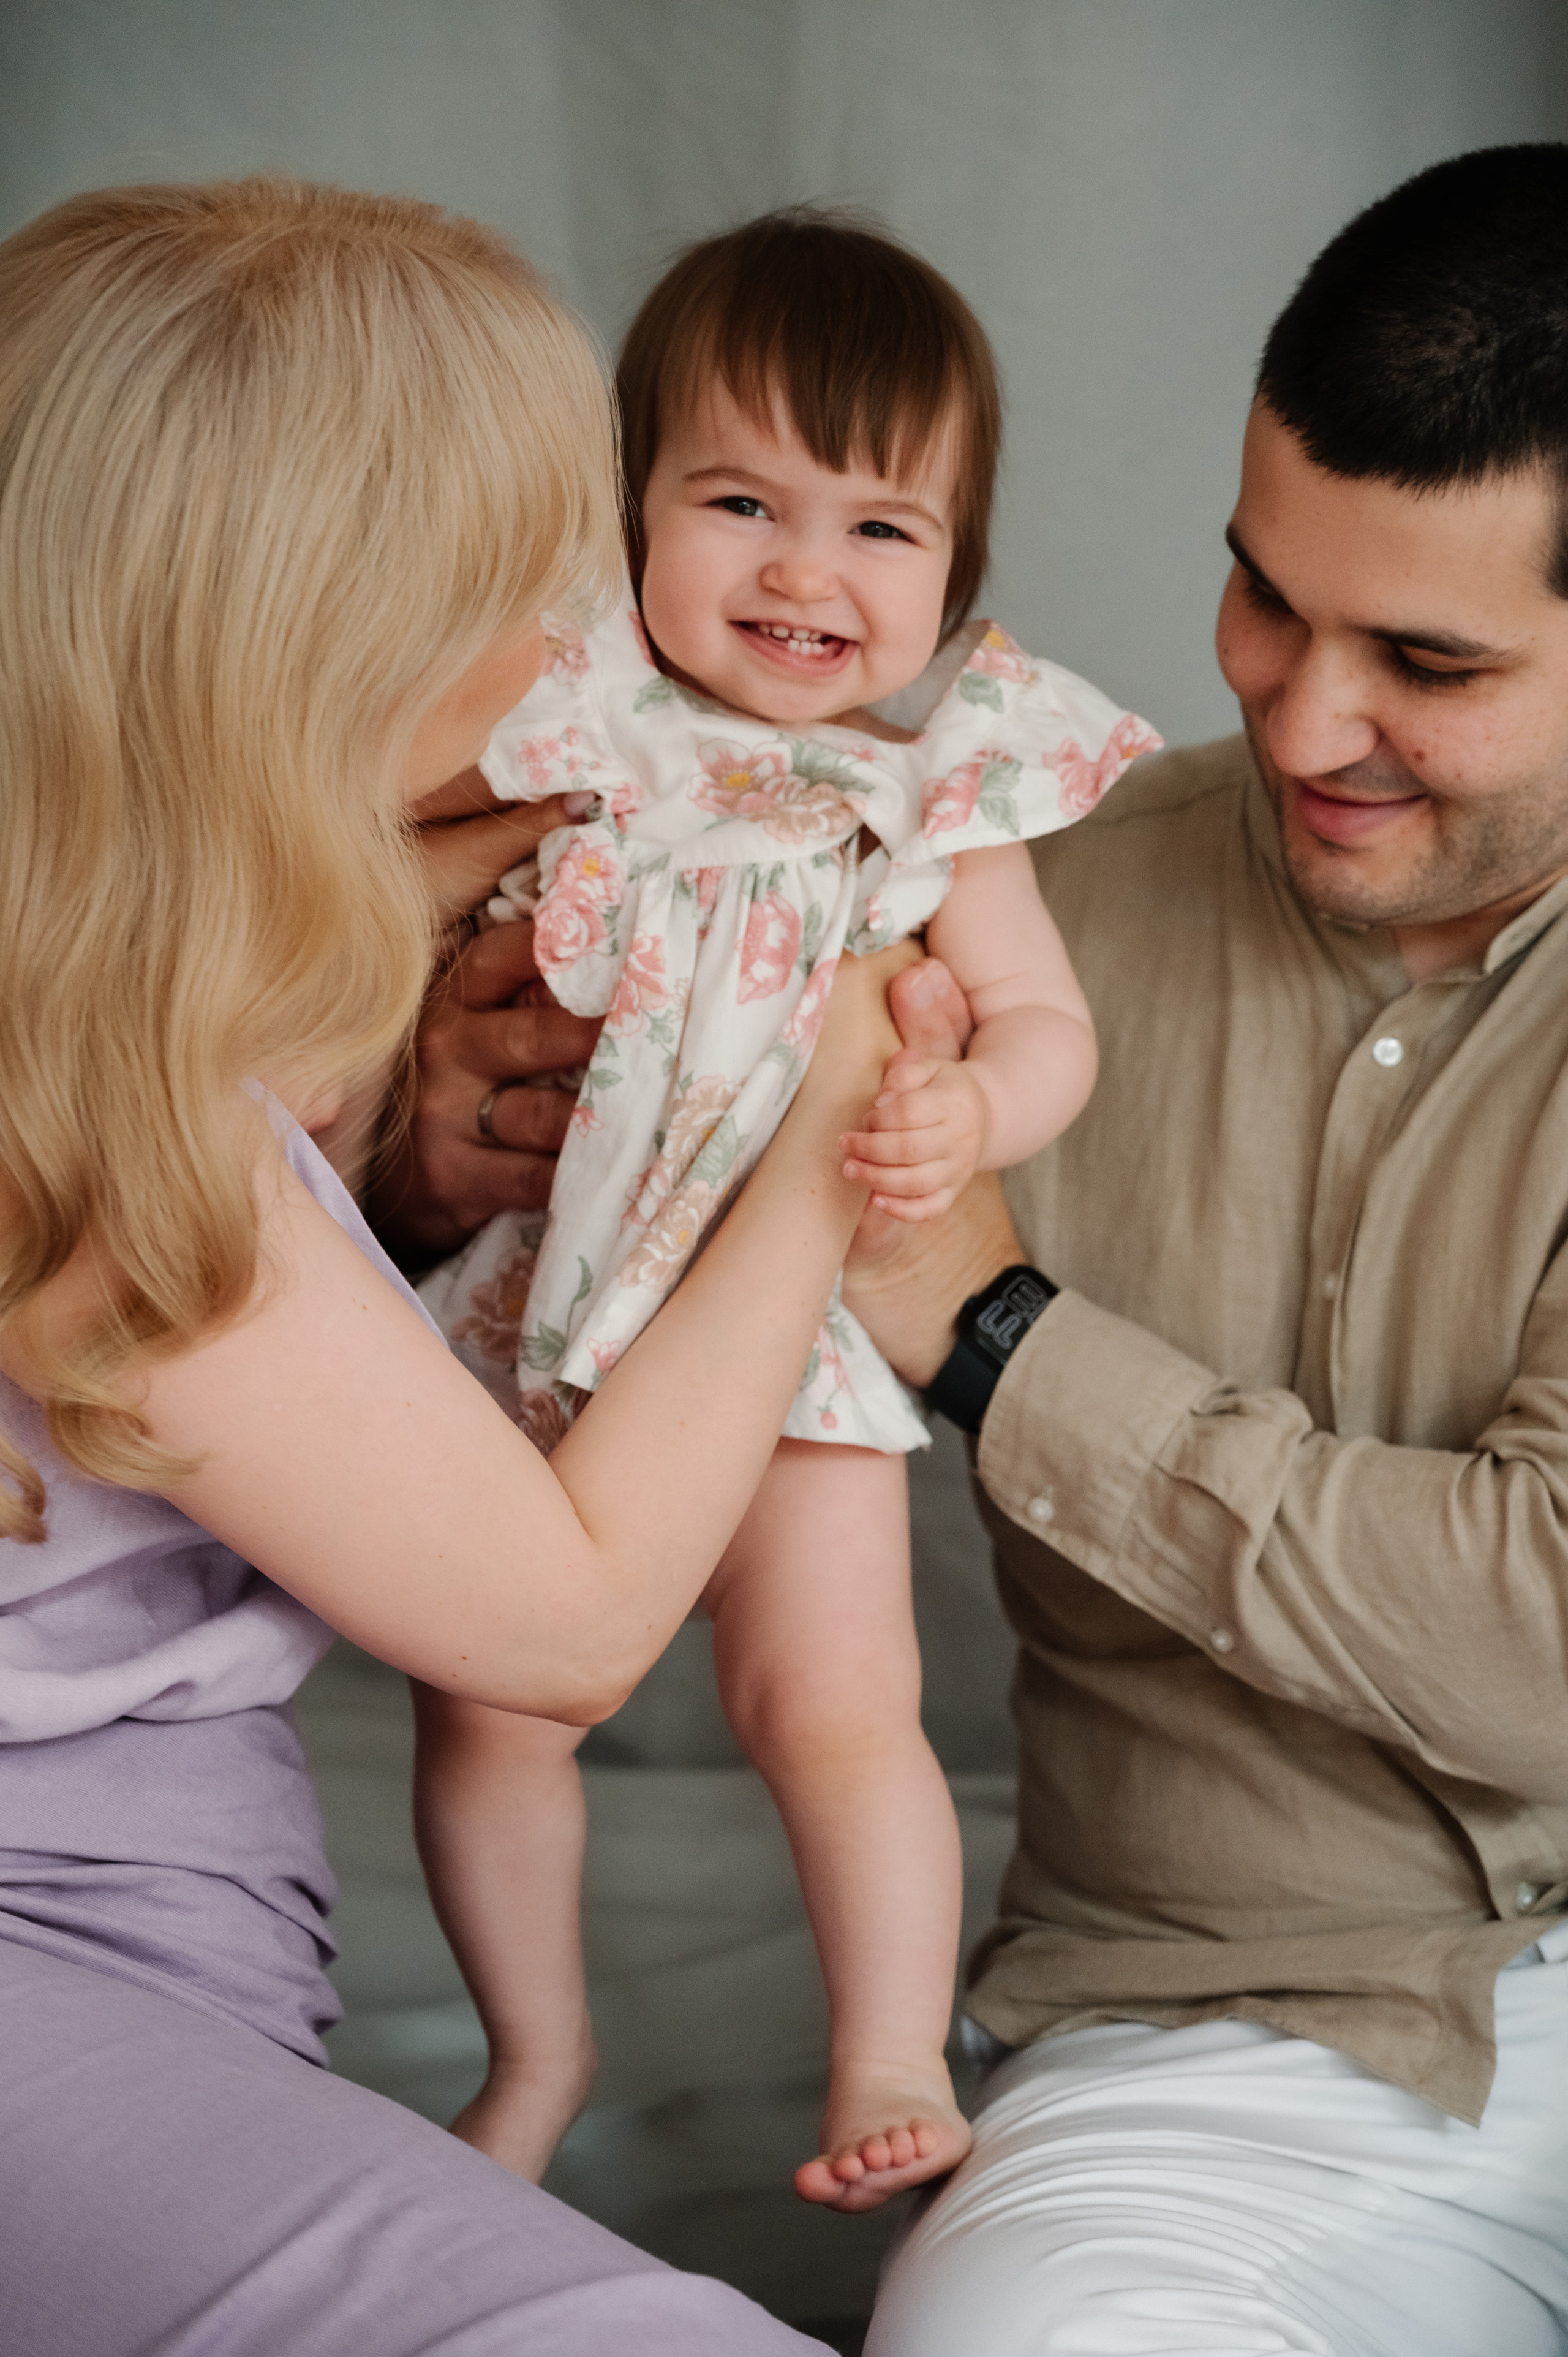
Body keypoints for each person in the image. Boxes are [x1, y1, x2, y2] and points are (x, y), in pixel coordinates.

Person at [0, 173, 914, 2357]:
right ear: (335, 636)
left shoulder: (112, 934)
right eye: (538, 578)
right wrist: (825, 1125)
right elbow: (575, 1625)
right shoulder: (116, 1141)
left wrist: (406, 1153)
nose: (584, 634)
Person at [846, 143, 1568, 2353]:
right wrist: (437, 1148)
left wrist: (995, 1334)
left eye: (1423, 661)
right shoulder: (1006, 906)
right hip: (1246, 2032)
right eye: (1266, 594)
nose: (1293, 711)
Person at [404, 208, 1159, 2210]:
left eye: (880, 530)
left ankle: (888, 2053)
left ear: (956, 577)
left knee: (833, 1702)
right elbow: (374, 887)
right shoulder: (577, 726)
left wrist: (972, 1096)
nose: (803, 571)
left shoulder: (929, 799)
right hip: (543, 1292)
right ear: (629, 510)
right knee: (487, 1701)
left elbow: (1048, 1027)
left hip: (786, 1309)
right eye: (737, 500)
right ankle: (534, 2059)